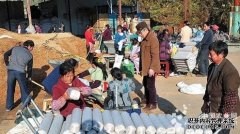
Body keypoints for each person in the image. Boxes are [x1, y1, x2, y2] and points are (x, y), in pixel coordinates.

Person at [201, 41, 240, 134]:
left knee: (222, 131)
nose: (209, 56)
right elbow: (209, 87)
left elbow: (231, 95)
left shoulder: (230, 71)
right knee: (212, 129)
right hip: (214, 107)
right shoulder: (212, 67)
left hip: (225, 110)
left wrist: (226, 114)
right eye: (209, 53)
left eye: (211, 54)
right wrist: (205, 103)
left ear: (221, 54)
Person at [4, 40, 35, 111]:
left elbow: (5, 54)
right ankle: (25, 104)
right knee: (24, 88)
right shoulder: (30, 55)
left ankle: (8, 107)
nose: (32, 49)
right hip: (20, 72)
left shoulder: (15, 48)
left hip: (11, 71)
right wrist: (29, 77)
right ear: (29, 46)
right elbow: (29, 68)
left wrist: (7, 64)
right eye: (32, 47)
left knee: (10, 88)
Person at [136, 21, 160, 110]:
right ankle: (147, 99)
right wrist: (137, 54)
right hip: (145, 66)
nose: (140, 35)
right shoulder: (144, 39)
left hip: (150, 67)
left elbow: (155, 55)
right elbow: (143, 50)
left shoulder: (153, 39)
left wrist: (152, 68)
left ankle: (153, 103)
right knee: (145, 83)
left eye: (140, 32)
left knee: (150, 85)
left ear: (145, 30)